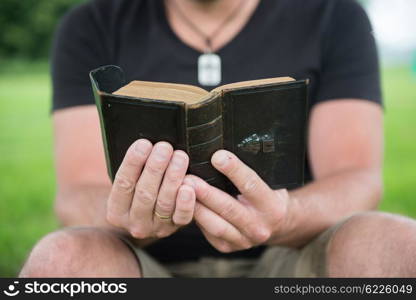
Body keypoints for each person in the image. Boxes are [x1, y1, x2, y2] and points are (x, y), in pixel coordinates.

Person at [20, 0, 416, 277]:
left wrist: (287, 216)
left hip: (292, 257)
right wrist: (129, 213)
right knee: (62, 258)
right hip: (142, 263)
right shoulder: (90, 24)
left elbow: (356, 177)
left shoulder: (336, 16)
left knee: (395, 244)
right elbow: (76, 193)